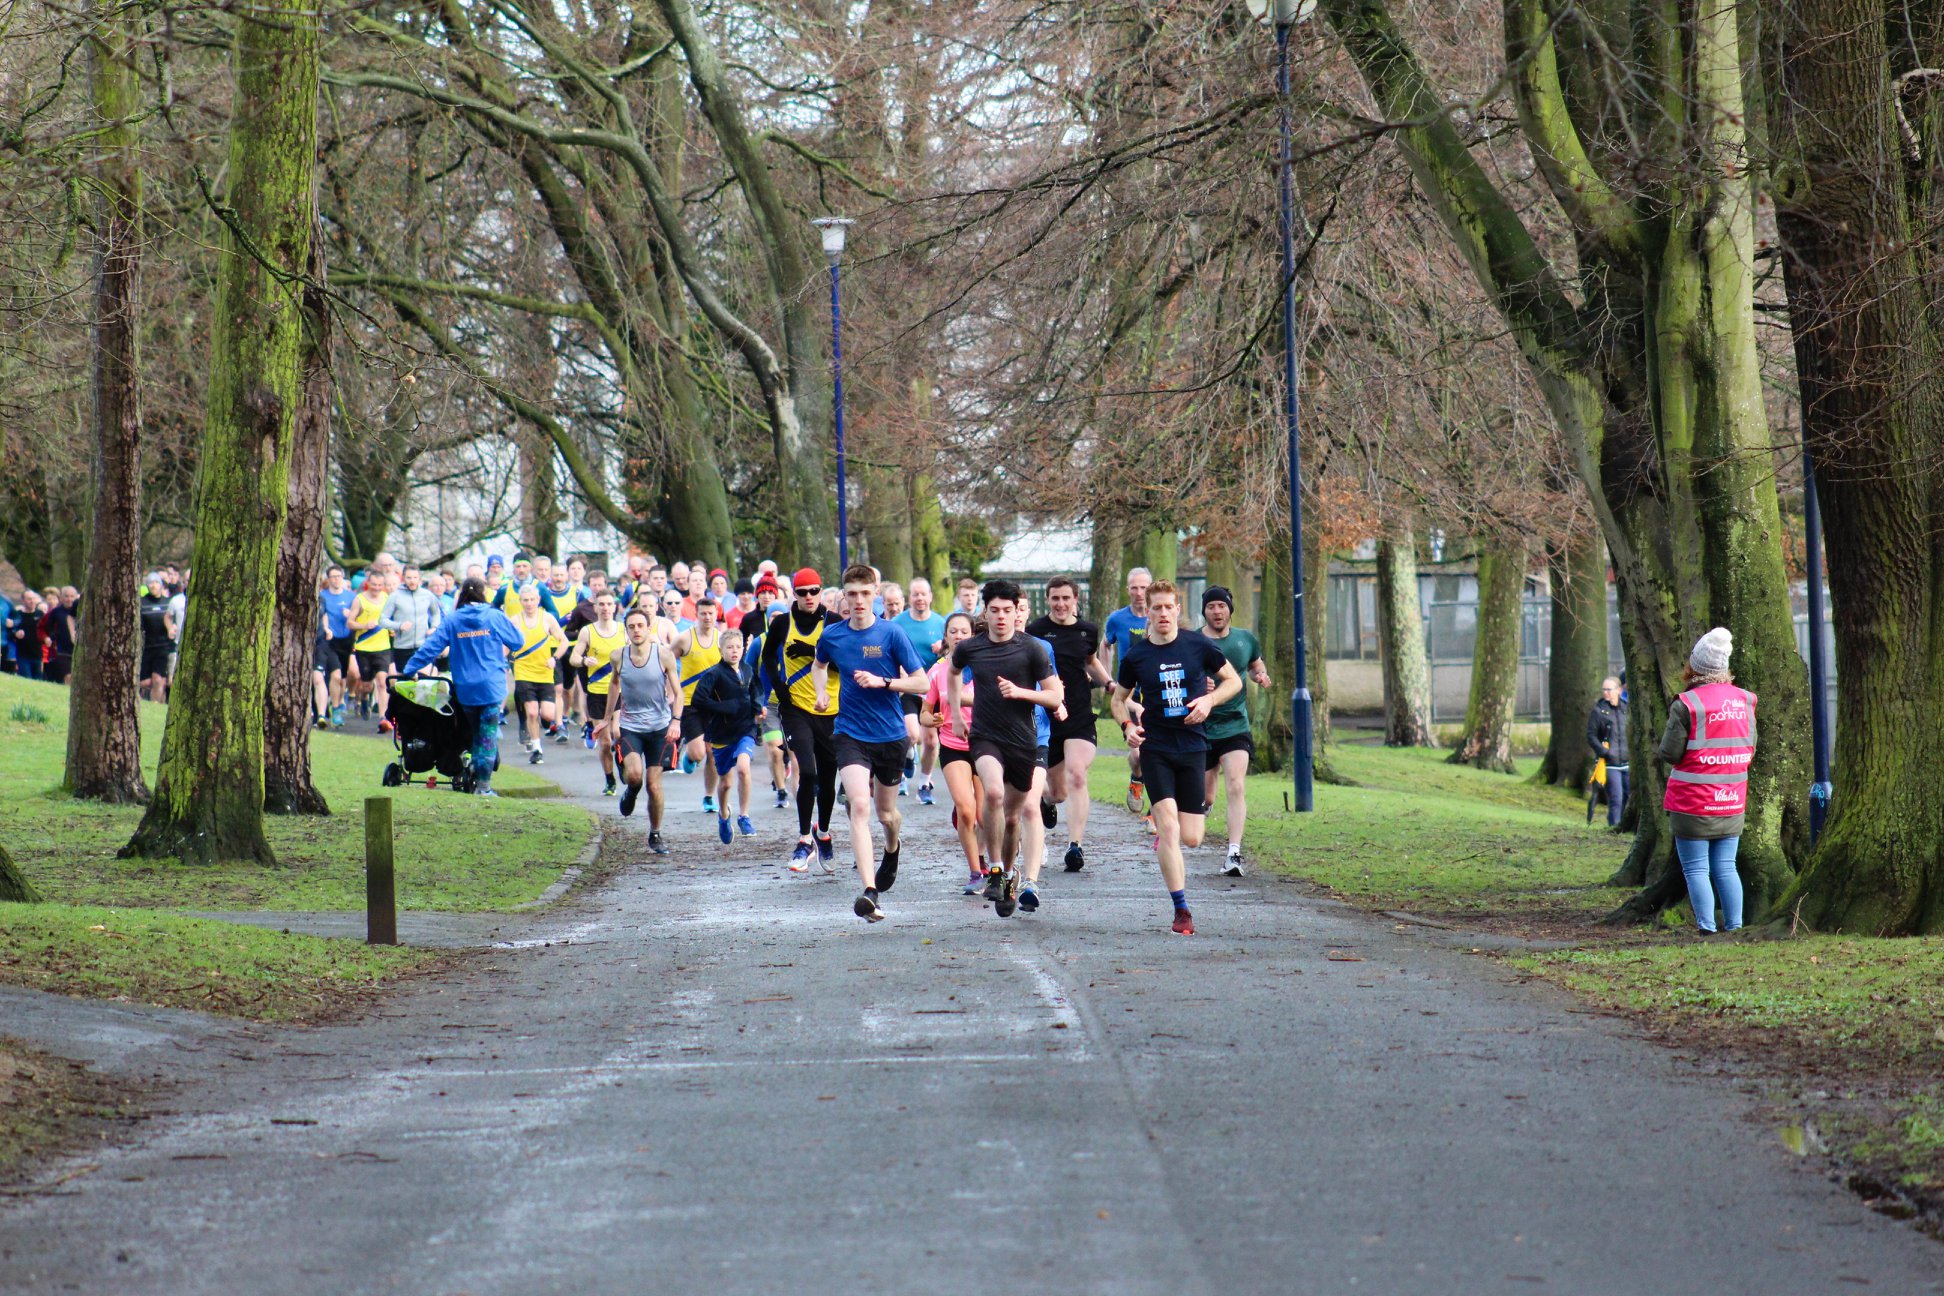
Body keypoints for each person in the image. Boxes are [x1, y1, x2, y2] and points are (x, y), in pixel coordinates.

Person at [1111, 580, 1241, 936]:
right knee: (1168, 828)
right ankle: (1181, 910)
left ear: (1177, 609)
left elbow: (1233, 682)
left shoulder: (1198, 645)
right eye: (1157, 608)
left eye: (1169, 607)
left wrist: (1208, 701)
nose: (1163, 613)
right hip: (1156, 748)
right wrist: (1126, 726)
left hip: (1193, 747)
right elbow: (1117, 699)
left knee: (1193, 838)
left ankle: (1167, 841)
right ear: (1148, 612)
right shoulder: (1136, 655)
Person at [814, 565, 928, 923]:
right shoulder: (832, 636)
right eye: (852, 593)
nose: (859, 600)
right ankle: (869, 892)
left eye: (865, 593)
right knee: (858, 806)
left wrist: (884, 683)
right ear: (843, 596)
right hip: (849, 733)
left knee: (885, 814)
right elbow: (819, 665)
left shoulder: (892, 634)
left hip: (890, 736)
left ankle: (892, 847)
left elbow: (921, 683)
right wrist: (821, 693)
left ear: (876, 594)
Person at [949, 579, 1061, 919]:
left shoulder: (1033, 650)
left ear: (1017, 613)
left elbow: (1055, 696)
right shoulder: (971, 647)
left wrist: (1021, 693)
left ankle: (1009, 876)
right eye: (994, 610)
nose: (1001, 617)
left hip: (1022, 741)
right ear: (985, 611)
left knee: (1013, 818)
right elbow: (952, 674)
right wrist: (955, 714)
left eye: (1007, 611)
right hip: (984, 736)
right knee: (993, 793)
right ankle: (995, 868)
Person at [1660, 629, 1753, 935]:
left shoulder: (1688, 704)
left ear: (1695, 666)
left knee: (1697, 868)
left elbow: (1670, 753)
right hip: (1732, 799)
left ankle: (1707, 928)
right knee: (1727, 866)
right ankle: (1736, 927)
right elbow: (1750, 745)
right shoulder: (1745, 701)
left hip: (1693, 802)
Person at [397, 575, 526, 796]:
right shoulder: (494, 616)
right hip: (491, 687)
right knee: (487, 736)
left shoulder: (453, 620)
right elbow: (518, 641)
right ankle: (483, 785)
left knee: (476, 732)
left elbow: (431, 647)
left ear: (462, 594)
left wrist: (410, 669)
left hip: (465, 688)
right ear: (483, 593)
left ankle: (475, 770)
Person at [1027, 576, 1112, 871]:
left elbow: (1090, 661)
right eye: (1055, 598)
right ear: (1048, 600)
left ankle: (1075, 846)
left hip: (1078, 714)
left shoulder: (1087, 630)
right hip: (1047, 717)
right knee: (1058, 792)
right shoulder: (1035, 631)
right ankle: (1046, 802)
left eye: (1066, 598)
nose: (1061, 604)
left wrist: (1109, 683)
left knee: (1077, 774)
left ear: (1076, 599)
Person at [763, 569, 843, 871]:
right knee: (806, 772)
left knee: (827, 776)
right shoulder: (784, 623)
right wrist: (780, 689)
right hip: (796, 708)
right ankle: (803, 839)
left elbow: (843, 663)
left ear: (821, 591)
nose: (808, 597)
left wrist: (811, 650)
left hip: (830, 709)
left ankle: (822, 833)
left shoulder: (834, 622)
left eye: (814, 591)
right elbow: (768, 656)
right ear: (793, 594)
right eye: (802, 592)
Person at [1197, 585, 1272, 876]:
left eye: (1222, 606)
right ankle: (1204, 806)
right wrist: (1198, 685)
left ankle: (1234, 854)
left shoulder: (1245, 640)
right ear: (1204, 611)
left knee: (1237, 784)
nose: (1217, 611)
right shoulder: (1193, 641)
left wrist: (1260, 675)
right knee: (1206, 796)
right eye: (1211, 606)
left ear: (1230, 609)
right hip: (1201, 724)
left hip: (1235, 724)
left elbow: (1255, 664)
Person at [922, 611, 987, 892]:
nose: (959, 636)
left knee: (986, 815)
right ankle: (975, 873)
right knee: (966, 810)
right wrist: (931, 719)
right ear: (945, 637)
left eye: (964, 631)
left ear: (973, 636)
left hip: (986, 744)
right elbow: (925, 713)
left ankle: (995, 861)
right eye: (953, 632)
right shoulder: (937, 671)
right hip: (952, 745)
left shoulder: (985, 665)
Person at [607, 606, 681, 853]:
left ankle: (655, 834)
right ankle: (630, 790)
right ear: (626, 630)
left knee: (654, 784)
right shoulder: (618, 656)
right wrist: (609, 719)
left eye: (641, 626)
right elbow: (614, 685)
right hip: (631, 726)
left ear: (649, 628)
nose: (636, 630)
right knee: (636, 776)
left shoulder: (664, 655)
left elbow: (678, 693)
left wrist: (676, 721)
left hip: (659, 727)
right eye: (631, 627)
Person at [690, 627, 765, 844]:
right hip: (721, 734)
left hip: (745, 730)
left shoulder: (748, 670)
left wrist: (758, 708)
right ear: (720, 649)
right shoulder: (713, 674)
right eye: (729, 647)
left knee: (743, 768)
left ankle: (744, 816)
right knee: (725, 783)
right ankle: (724, 815)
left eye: (738, 647)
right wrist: (724, 707)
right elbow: (698, 701)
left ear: (743, 649)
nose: (734, 651)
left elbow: (756, 693)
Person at [1101, 566, 1153, 815]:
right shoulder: (1117, 619)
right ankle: (1137, 778)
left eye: (1144, 587)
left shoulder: (1159, 617)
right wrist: (1107, 679)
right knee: (1138, 755)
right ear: (1128, 590)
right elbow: (1105, 645)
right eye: (1134, 587)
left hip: (1157, 692)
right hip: (1129, 695)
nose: (1139, 592)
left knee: (1160, 753)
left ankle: (1157, 810)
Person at [892, 577, 947, 804]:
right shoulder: (897, 622)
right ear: (909, 598)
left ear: (931, 596)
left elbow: (954, 654)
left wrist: (943, 649)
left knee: (932, 742)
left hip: (933, 690)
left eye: (924, 594)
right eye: (915, 594)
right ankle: (908, 754)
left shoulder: (941, 623)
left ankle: (924, 783)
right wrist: (898, 673)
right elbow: (889, 650)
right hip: (909, 687)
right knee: (912, 734)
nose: (920, 598)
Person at [569, 591, 628, 795]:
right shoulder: (588, 631)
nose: (605, 608)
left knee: (618, 733)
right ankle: (610, 780)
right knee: (604, 742)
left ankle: (622, 763)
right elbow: (574, 658)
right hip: (596, 693)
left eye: (609, 604)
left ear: (615, 607)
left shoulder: (623, 630)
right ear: (595, 608)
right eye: (601, 604)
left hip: (620, 690)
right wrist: (585, 660)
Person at [673, 598, 726, 809]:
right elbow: (667, 661)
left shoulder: (721, 639)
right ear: (697, 614)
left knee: (713, 752)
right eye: (703, 613)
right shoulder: (685, 639)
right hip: (690, 702)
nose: (707, 618)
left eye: (711, 614)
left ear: (716, 615)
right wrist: (672, 689)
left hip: (714, 703)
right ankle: (690, 756)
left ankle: (708, 797)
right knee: (699, 753)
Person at [506, 583, 567, 764]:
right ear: (520, 602)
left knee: (547, 715)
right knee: (532, 712)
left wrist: (554, 658)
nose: (529, 603)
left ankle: (547, 726)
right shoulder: (515, 621)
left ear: (538, 600)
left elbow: (563, 641)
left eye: (532, 599)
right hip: (524, 671)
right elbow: (505, 644)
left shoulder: (547, 618)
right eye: (526, 600)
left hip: (545, 672)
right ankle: (537, 748)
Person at [384, 566, 442, 715]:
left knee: (424, 678)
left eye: (415, 577)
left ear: (419, 579)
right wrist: (399, 626)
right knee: (407, 682)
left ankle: (425, 713)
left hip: (422, 645)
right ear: (403, 578)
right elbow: (382, 620)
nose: (412, 581)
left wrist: (434, 627)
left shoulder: (427, 595)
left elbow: (436, 613)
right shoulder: (395, 596)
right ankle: (401, 714)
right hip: (402, 646)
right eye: (409, 578)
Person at [349, 568, 395, 727]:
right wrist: (364, 625)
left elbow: (391, 618)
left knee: (383, 681)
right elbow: (350, 623)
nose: (376, 588)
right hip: (364, 647)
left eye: (379, 585)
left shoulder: (387, 598)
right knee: (367, 684)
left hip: (382, 646)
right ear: (368, 583)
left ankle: (383, 716)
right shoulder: (359, 599)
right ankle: (363, 697)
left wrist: (393, 628)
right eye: (373, 584)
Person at [1587, 675, 1629, 828]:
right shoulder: (1599, 711)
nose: (1605, 692)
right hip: (1609, 763)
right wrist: (1603, 752)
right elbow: (1591, 735)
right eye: (1604, 689)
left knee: (1628, 797)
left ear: (1618, 690)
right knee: (1616, 798)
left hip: (1627, 762)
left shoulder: (1626, 708)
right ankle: (1614, 827)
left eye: (1609, 689)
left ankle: (1625, 826)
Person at [319, 565, 355, 725]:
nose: (336, 579)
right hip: (330, 641)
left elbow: (359, 617)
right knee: (336, 675)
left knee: (343, 678)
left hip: (346, 641)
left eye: (339, 576)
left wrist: (352, 615)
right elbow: (322, 614)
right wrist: (326, 628)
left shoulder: (351, 597)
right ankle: (335, 708)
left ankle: (340, 702)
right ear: (328, 579)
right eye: (333, 576)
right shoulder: (323, 596)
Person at [138, 572, 173, 703]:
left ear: (161, 585)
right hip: (146, 648)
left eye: (156, 582)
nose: (153, 586)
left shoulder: (168, 603)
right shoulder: (141, 603)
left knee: (158, 680)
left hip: (163, 647)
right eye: (150, 583)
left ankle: (155, 705)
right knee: (146, 682)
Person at [41, 587, 78, 685]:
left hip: (77, 649)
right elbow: (48, 627)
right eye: (66, 596)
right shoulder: (56, 612)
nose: (69, 599)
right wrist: (52, 638)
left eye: (72, 596)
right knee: (68, 676)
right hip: (62, 649)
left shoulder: (80, 611)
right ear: (61, 598)